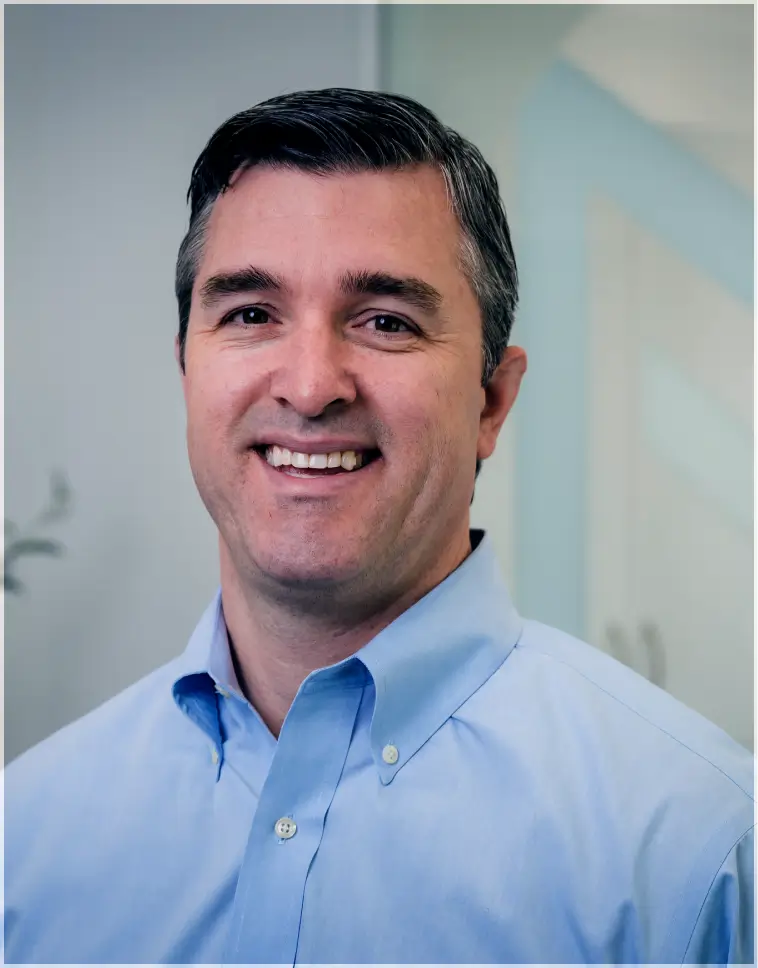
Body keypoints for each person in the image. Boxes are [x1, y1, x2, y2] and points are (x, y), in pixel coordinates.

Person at [4, 88, 754, 965]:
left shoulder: (697, 850)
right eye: (251, 314)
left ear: (492, 401)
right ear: (187, 372)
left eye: (386, 322)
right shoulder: (26, 843)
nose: (312, 384)